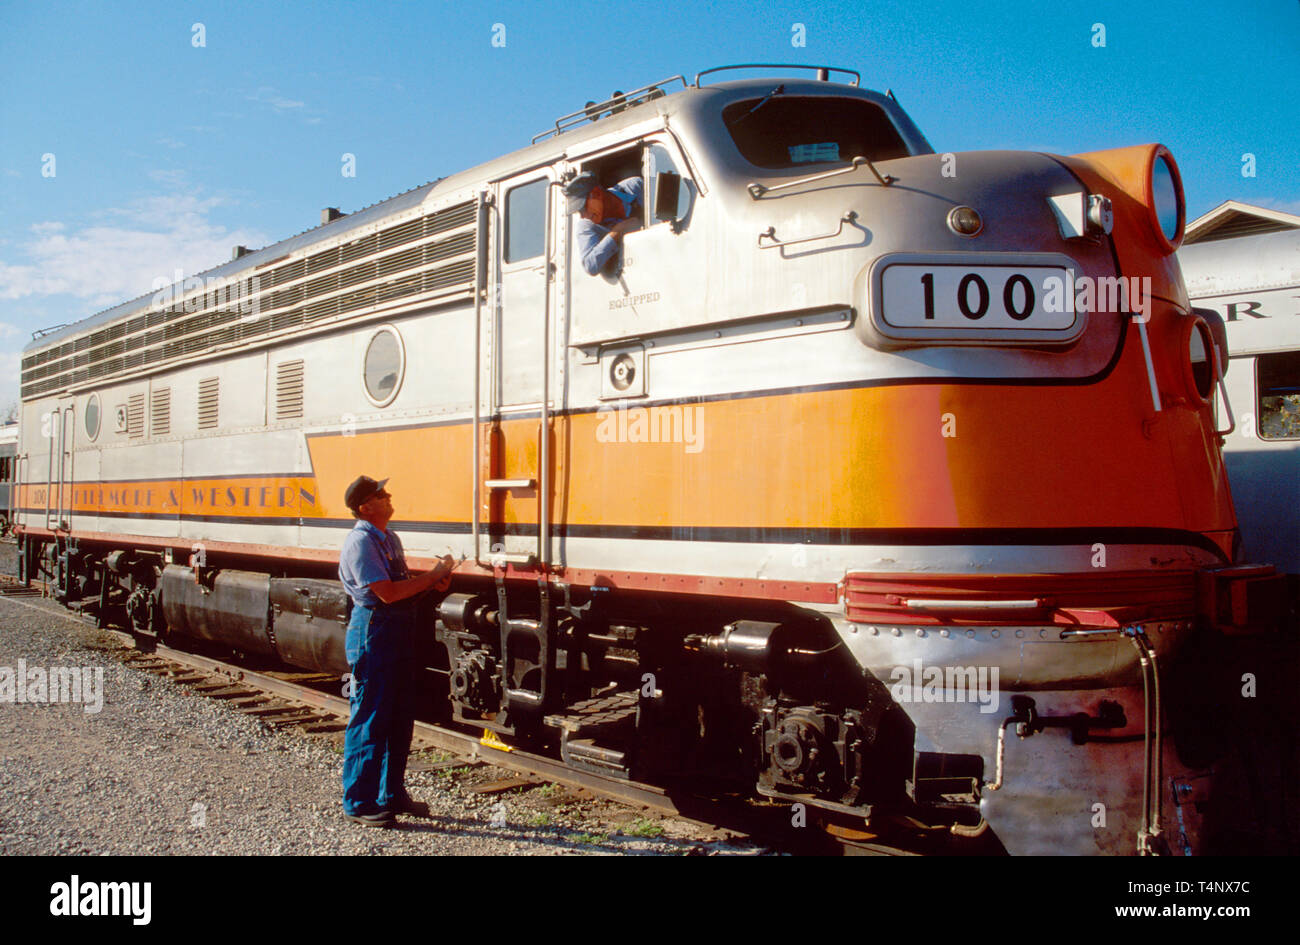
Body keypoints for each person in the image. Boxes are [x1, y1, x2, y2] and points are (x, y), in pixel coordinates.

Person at [338, 474, 454, 827]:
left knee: (399, 715)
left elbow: (402, 588)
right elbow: (387, 593)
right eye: (380, 494)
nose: (388, 497)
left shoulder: (388, 538)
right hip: (374, 629)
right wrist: (433, 575)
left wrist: (435, 584)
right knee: (371, 714)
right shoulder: (360, 542)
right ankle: (358, 801)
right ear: (365, 507)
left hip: (395, 628)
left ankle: (391, 793)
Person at [564, 171, 644, 276]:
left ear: (597, 193)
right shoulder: (586, 225)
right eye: (579, 212)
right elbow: (590, 265)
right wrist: (617, 231)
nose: (583, 216)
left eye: (583, 208)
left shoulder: (634, 186)